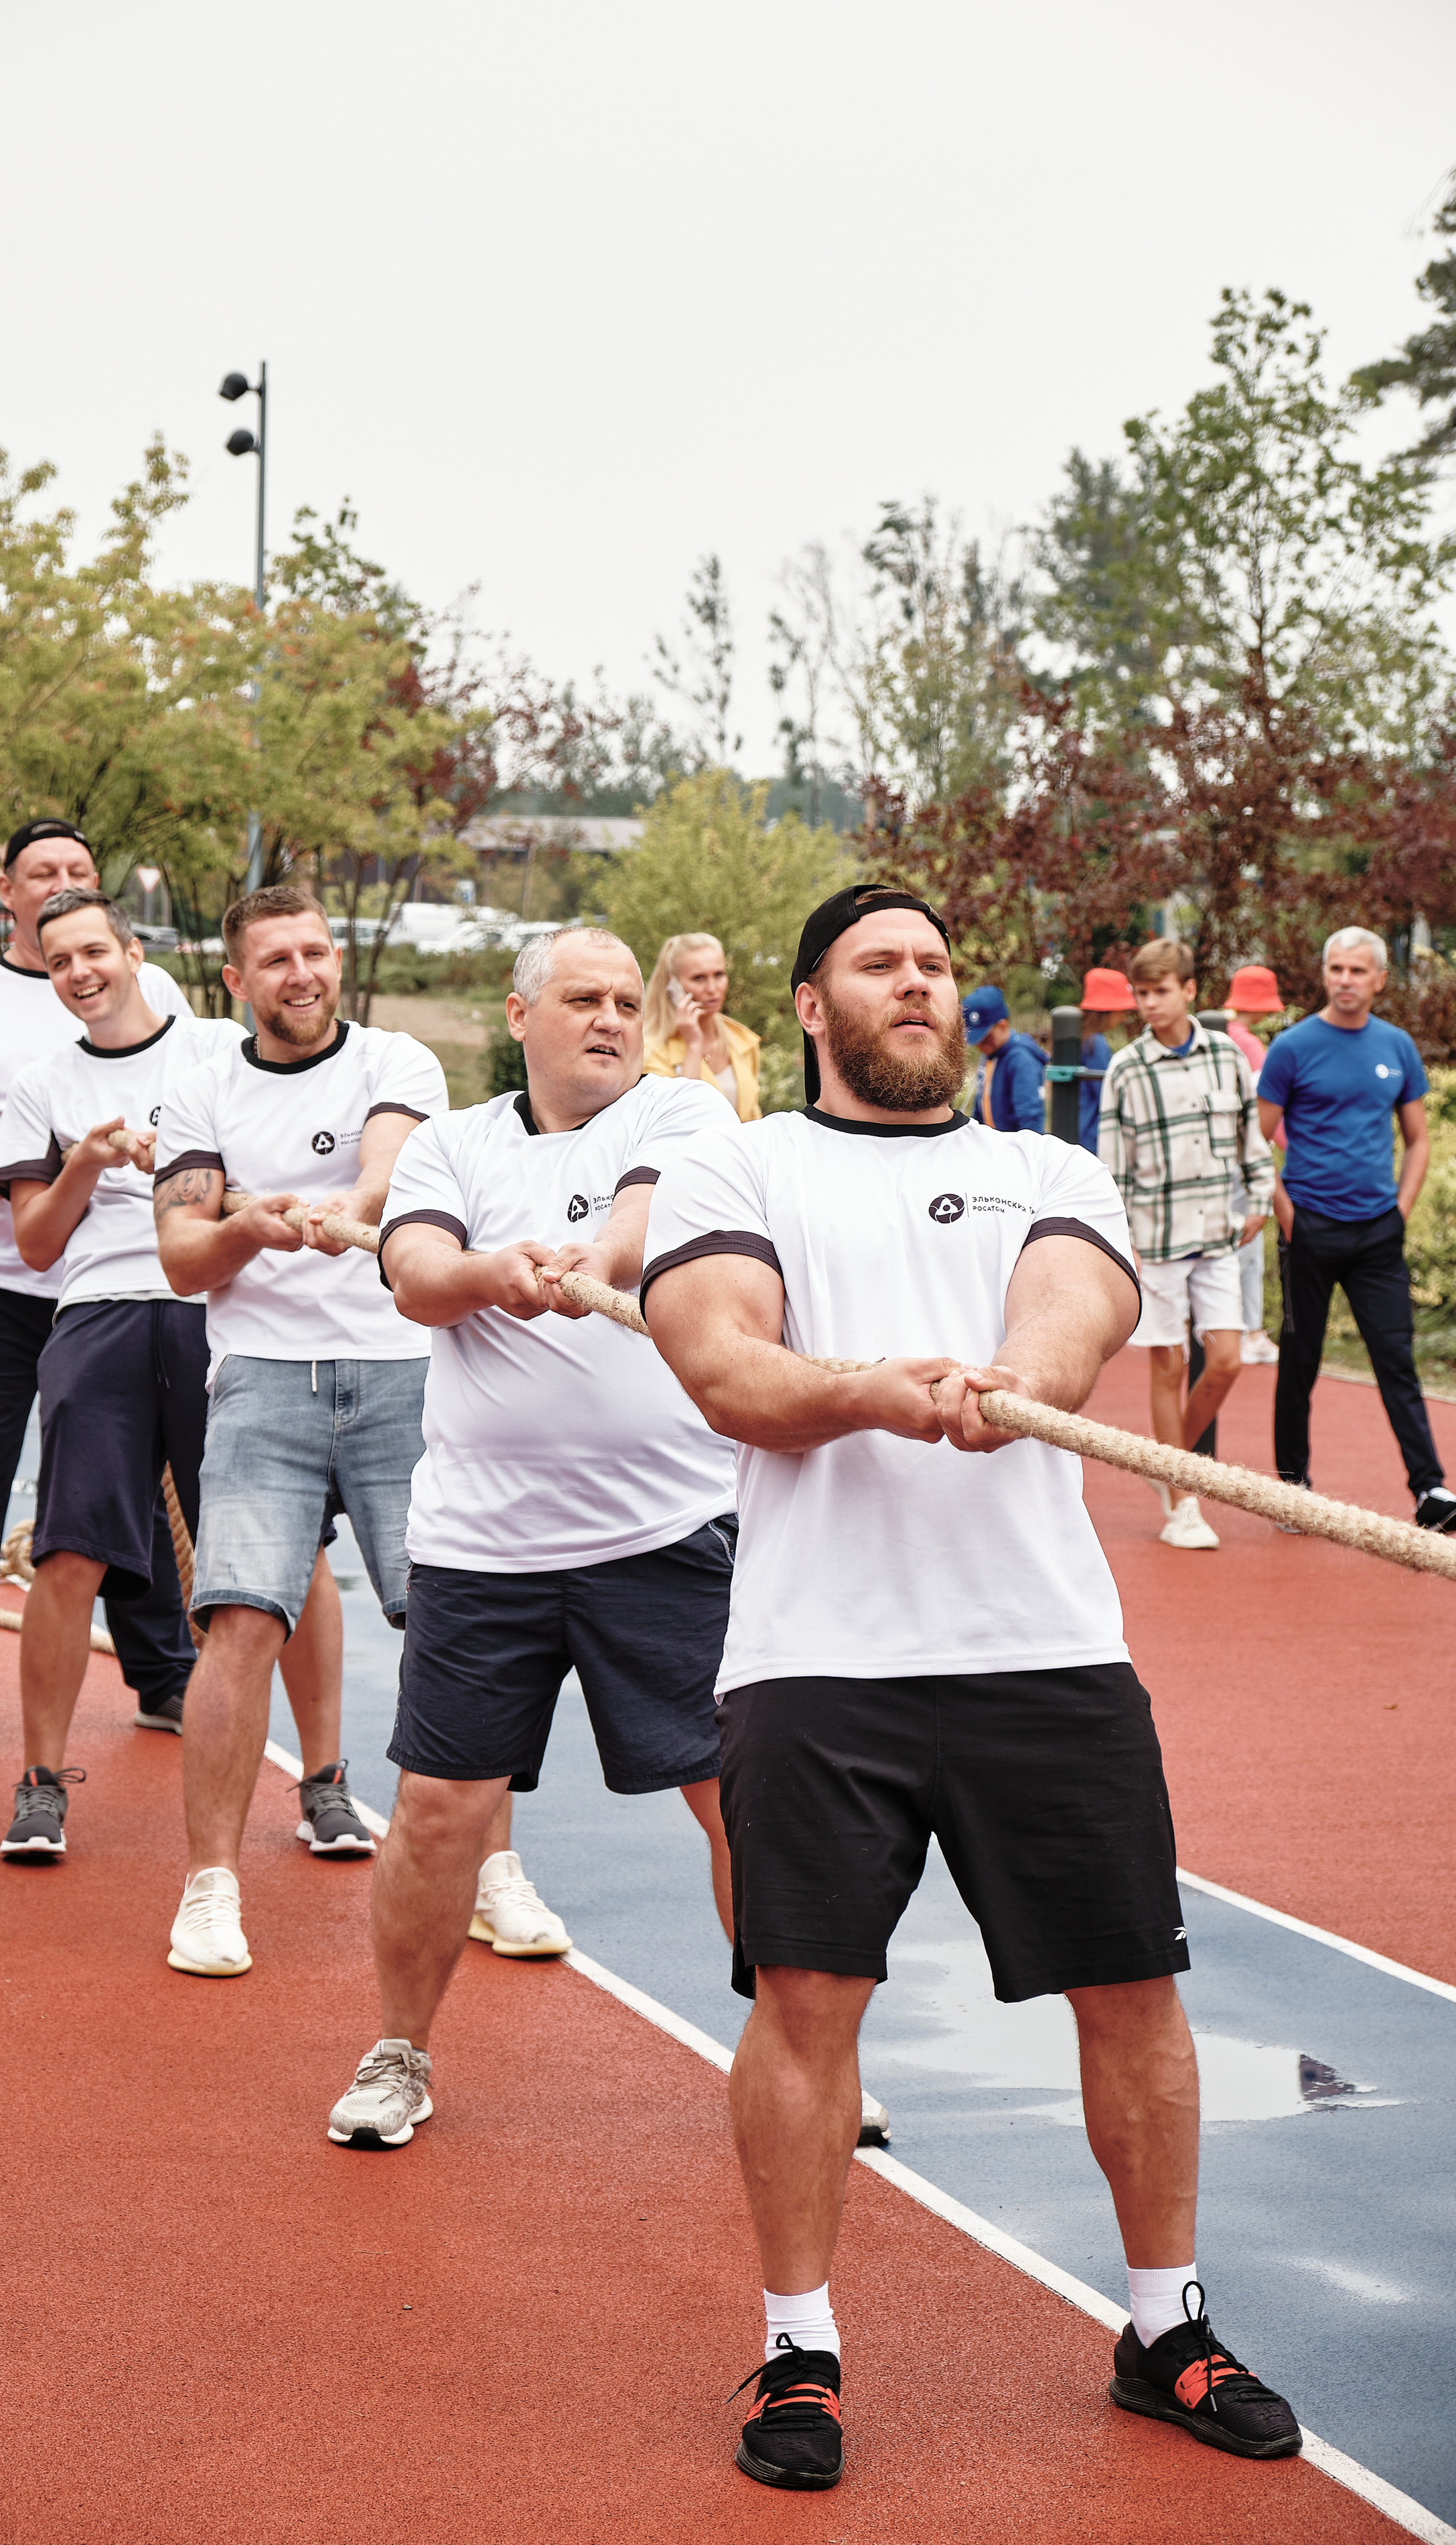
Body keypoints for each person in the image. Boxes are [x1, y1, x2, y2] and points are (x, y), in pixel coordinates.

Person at [641, 885, 1301, 2493]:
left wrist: (1024, 1382)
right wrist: (869, 1387)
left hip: (1041, 1655)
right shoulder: (738, 1165)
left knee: (1130, 1991)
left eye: (933, 962)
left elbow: (1072, 1306)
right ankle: (797, 2343)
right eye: (880, 963)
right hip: (817, 1662)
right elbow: (722, 1359)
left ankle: (1164, 2325)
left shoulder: (1039, 1164)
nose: (917, 982)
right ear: (810, 1003)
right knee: (803, 2000)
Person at [325, 924, 746, 2151]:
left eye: (627, 999)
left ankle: (796, 2050)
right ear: (521, 1014)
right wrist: (495, 1273)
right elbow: (411, 1272)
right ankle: (400, 2051)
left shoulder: (685, 1112)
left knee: (738, 1801)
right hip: (482, 1550)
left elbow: (644, 1213)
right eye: (583, 999)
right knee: (440, 1813)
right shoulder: (455, 1142)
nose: (611, 1017)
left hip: (664, 1534)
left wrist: (592, 1257)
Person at [152, 884, 448, 1976]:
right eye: (275, 960)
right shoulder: (199, 1090)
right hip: (263, 1381)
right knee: (239, 1623)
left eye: (315, 952)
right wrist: (251, 1225)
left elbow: (385, 1175)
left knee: (451, 1622)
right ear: (237, 981)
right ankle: (210, 1889)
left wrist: (346, 1210)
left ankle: (479, 1866)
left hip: (400, 1374)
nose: (302, 975)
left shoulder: (398, 1061)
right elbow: (184, 1257)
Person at [0, 819, 195, 1757]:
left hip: (122, 1293)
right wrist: (3, 1175)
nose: (59, 882)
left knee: (143, 1491)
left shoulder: (160, 993)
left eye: (78, 872)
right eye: (41, 874)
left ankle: (165, 1677)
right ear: (9, 892)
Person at [0, 892, 240, 1859]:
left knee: (264, 1555)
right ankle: (43, 1783)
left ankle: (322, 1779)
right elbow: (37, 1247)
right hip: (99, 1314)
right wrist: (87, 1163)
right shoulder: (43, 1084)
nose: (80, 971)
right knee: (68, 1553)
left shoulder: (215, 1052)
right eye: (59, 961)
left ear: (135, 952)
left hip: (215, 1312)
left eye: (94, 949)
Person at [1258, 926, 1456, 1532]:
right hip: (1309, 1229)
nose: (1345, 980)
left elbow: (1418, 1138)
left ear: (1379, 979)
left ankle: (1431, 1490)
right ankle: (1293, 1489)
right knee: (1300, 1363)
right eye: (1336, 969)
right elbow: (1255, 1140)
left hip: (1377, 1235)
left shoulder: (1395, 1047)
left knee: (1397, 1361)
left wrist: (1400, 1210)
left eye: (1357, 971)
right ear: (1325, 974)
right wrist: (1288, 1215)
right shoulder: (1292, 1047)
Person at [1098, 939, 1274, 1551]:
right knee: (1168, 1365)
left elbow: (1252, 1136)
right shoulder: (1126, 1069)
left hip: (1216, 1232)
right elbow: (1112, 1166)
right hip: (1156, 1237)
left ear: (1190, 990)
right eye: (1142, 993)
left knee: (1226, 1360)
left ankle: (1165, 1464)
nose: (1149, 1003)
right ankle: (1183, 1503)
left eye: (1161, 991)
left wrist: (1259, 1197)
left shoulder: (1227, 1057)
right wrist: (1121, 1241)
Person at [1221, 965, 1285, 1365]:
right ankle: (1250, 1331)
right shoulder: (1251, 1047)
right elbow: (1267, 1111)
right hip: (1243, 1154)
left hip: (1214, 1152)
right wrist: (1286, 1147)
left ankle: (1223, 1328)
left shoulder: (1215, 1036)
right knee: (1248, 1242)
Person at [643, 933, 762, 1119]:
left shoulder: (743, 1041)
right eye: (699, 978)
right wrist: (693, 1046)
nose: (713, 988)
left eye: (719, 975)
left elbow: (754, 1118)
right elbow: (679, 1119)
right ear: (672, 984)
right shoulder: (651, 1052)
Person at [960, 983, 1047, 1131]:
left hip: (1013, 1149)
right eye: (976, 1040)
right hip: (992, 1146)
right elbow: (980, 1108)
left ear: (1003, 1026)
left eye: (986, 1038)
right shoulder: (989, 1057)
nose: (981, 1045)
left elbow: (1030, 1118)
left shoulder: (1021, 1060)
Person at [1077, 967, 1135, 1159]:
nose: (1124, 1017)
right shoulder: (1096, 1044)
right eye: (1121, 1011)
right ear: (1107, 1010)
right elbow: (1107, 1093)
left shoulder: (1081, 1038)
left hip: (1079, 1134)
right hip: (1092, 1140)